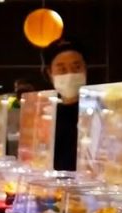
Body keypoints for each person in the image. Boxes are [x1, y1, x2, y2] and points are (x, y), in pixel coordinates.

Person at [43, 37, 88, 171]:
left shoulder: (98, 111)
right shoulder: (45, 114)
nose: (70, 74)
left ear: (85, 69)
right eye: (62, 69)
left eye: (77, 67)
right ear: (50, 73)